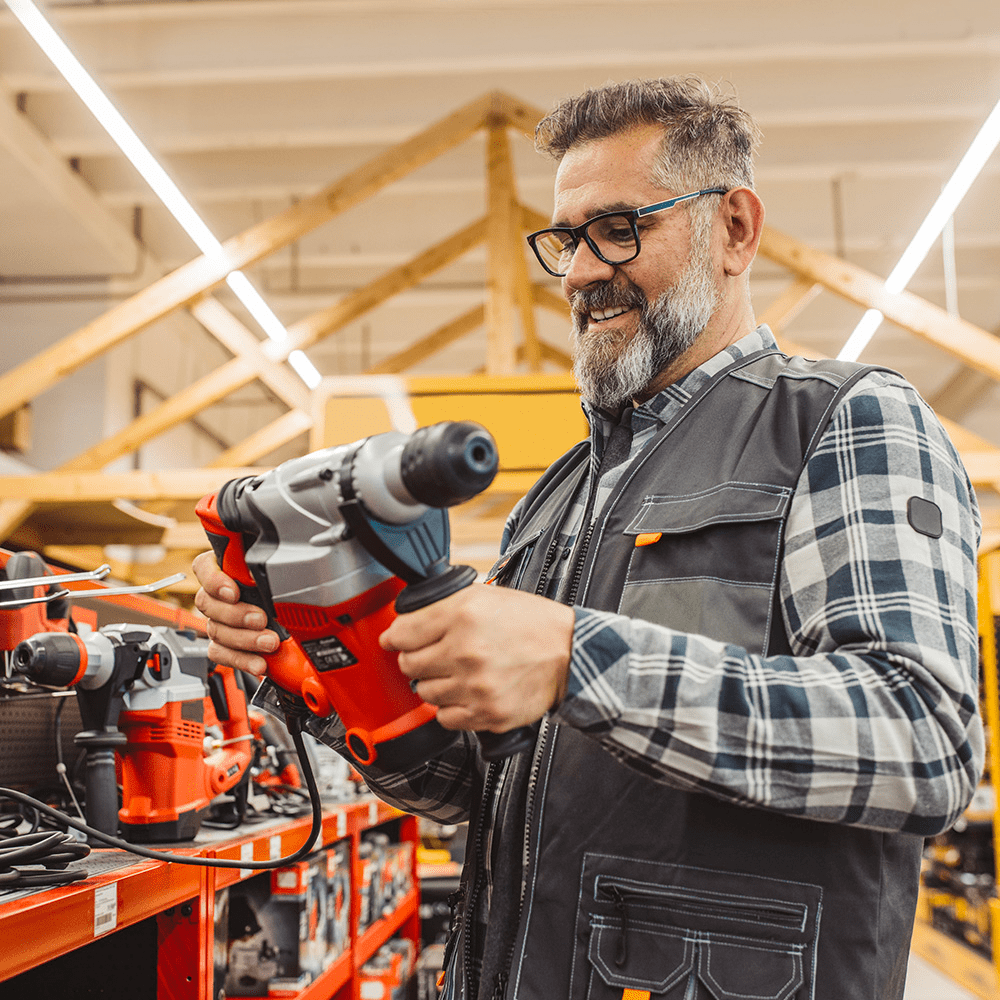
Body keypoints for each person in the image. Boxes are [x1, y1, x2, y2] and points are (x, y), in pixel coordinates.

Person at [193, 77, 984, 1000]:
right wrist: (323, 666)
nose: (576, 274)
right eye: (567, 240)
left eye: (619, 229)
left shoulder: (842, 423)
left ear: (734, 230)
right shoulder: (557, 498)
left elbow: (922, 741)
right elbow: (476, 790)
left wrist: (579, 657)